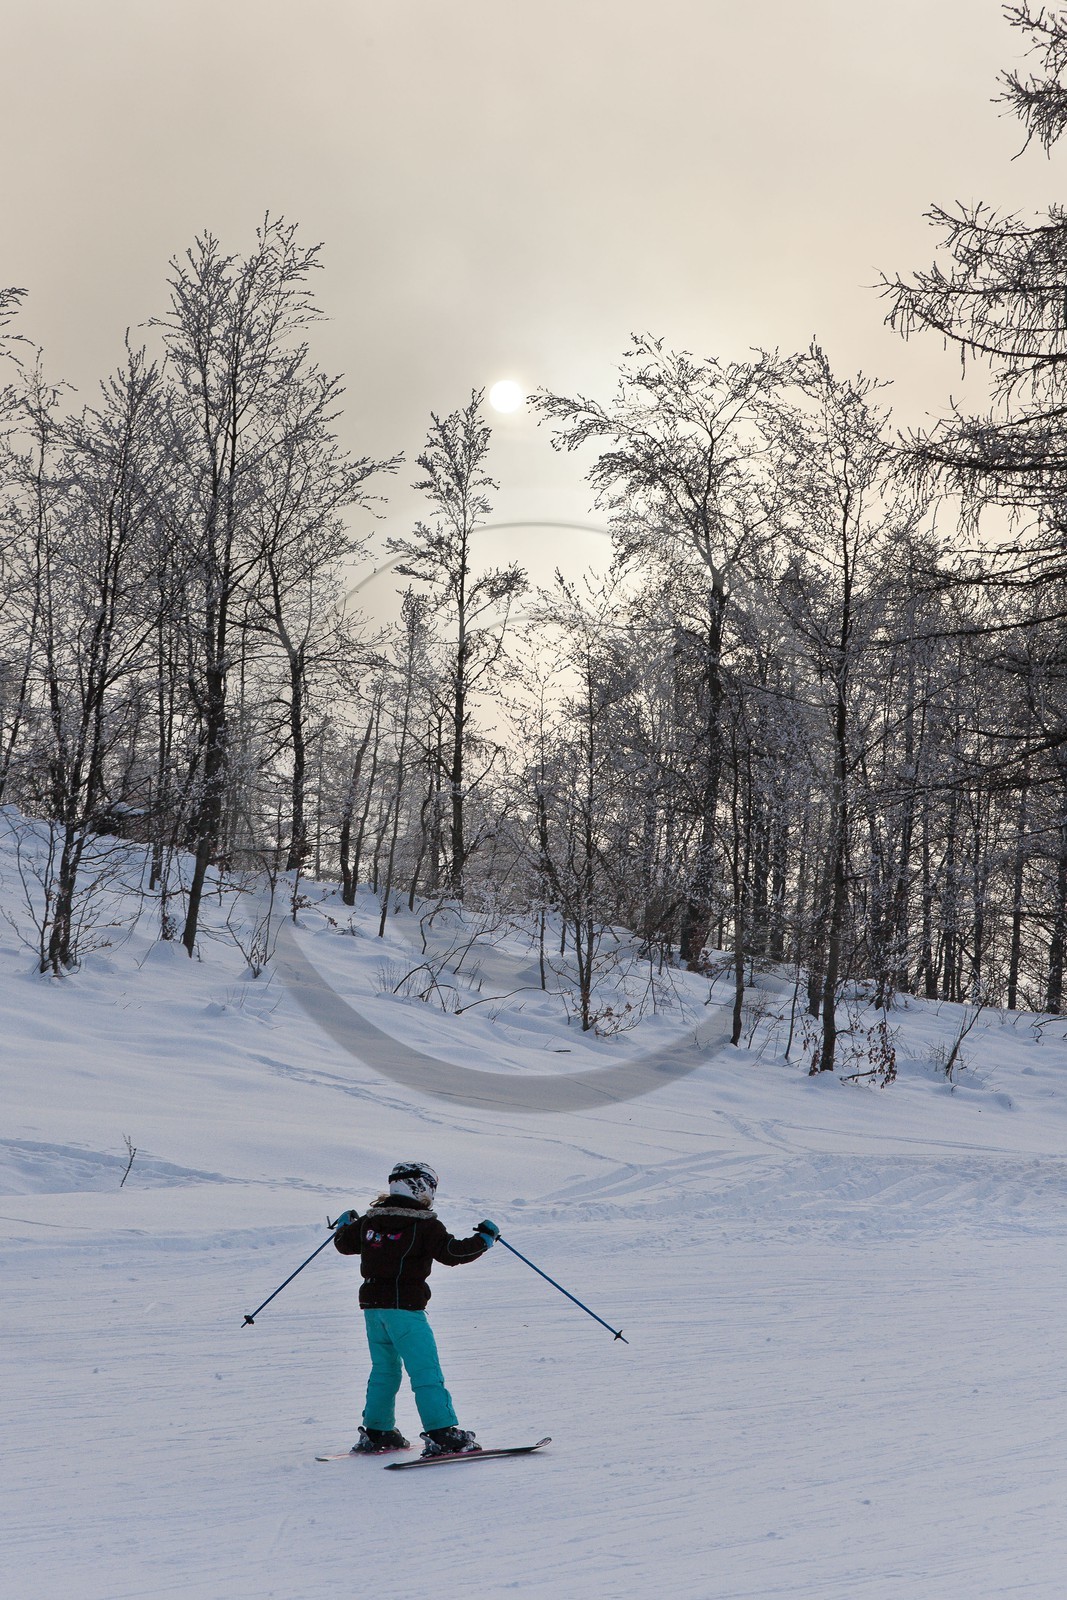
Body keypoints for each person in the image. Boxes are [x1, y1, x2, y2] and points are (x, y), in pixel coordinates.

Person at [332, 1159, 500, 1456]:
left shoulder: (370, 1221)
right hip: (406, 1311)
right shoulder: (424, 1224)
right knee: (425, 1370)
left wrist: (345, 1224)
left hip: (374, 1310)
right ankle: (442, 1433)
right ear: (420, 1187)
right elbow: (452, 1253)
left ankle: (377, 1431)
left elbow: (344, 1244)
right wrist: (484, 1239)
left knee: (385, 1369)